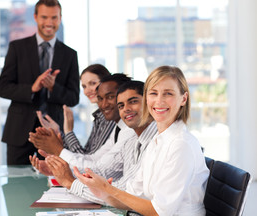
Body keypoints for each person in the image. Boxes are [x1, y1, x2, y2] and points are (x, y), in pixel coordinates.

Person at [72, 66, 209, 216]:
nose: (159, 101)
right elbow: (132, 195)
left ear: (183, 98)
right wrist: (101, 191)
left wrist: (107, 188)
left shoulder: (181, 144)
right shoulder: (158, 141)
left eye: (168, 93)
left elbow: (159, 211)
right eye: (153, 93)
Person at [43, 80, 158, 205]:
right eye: (121, 105)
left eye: (133, 101)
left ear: (149, 102)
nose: (126, 109)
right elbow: (106, 174)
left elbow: (126, 194)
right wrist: (64, 171)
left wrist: (70, 180)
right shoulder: (131, 138)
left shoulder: (157, 141)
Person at [0, 0, 80, 165]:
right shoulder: (17, 48)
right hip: (19, 133)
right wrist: (32, 88)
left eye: (54, 17)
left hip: (53, 135)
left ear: (60, 18)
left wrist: (53, 88)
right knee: (16, 185)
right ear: (35, 17)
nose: (49, 22)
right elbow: (3, 88)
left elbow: (74, 98)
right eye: (44, 17)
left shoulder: (70, 54)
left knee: (53, 186)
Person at [29, 73, 134, 178]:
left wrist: (59, 148)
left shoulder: (121, 126)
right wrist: (60, 164)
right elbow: (93, 159)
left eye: (92, 83)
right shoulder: (115, 126)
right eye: (84, 86)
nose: (104, 104)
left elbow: (98, 169)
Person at [30, 64, 115, 155]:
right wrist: (58, 132)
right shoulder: (99, 117)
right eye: (84, 86)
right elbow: (83, 155)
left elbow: (85, 161)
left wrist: (68, 131)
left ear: (107, 83)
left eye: (92, 83)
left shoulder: (111, 117)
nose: (87, 91)